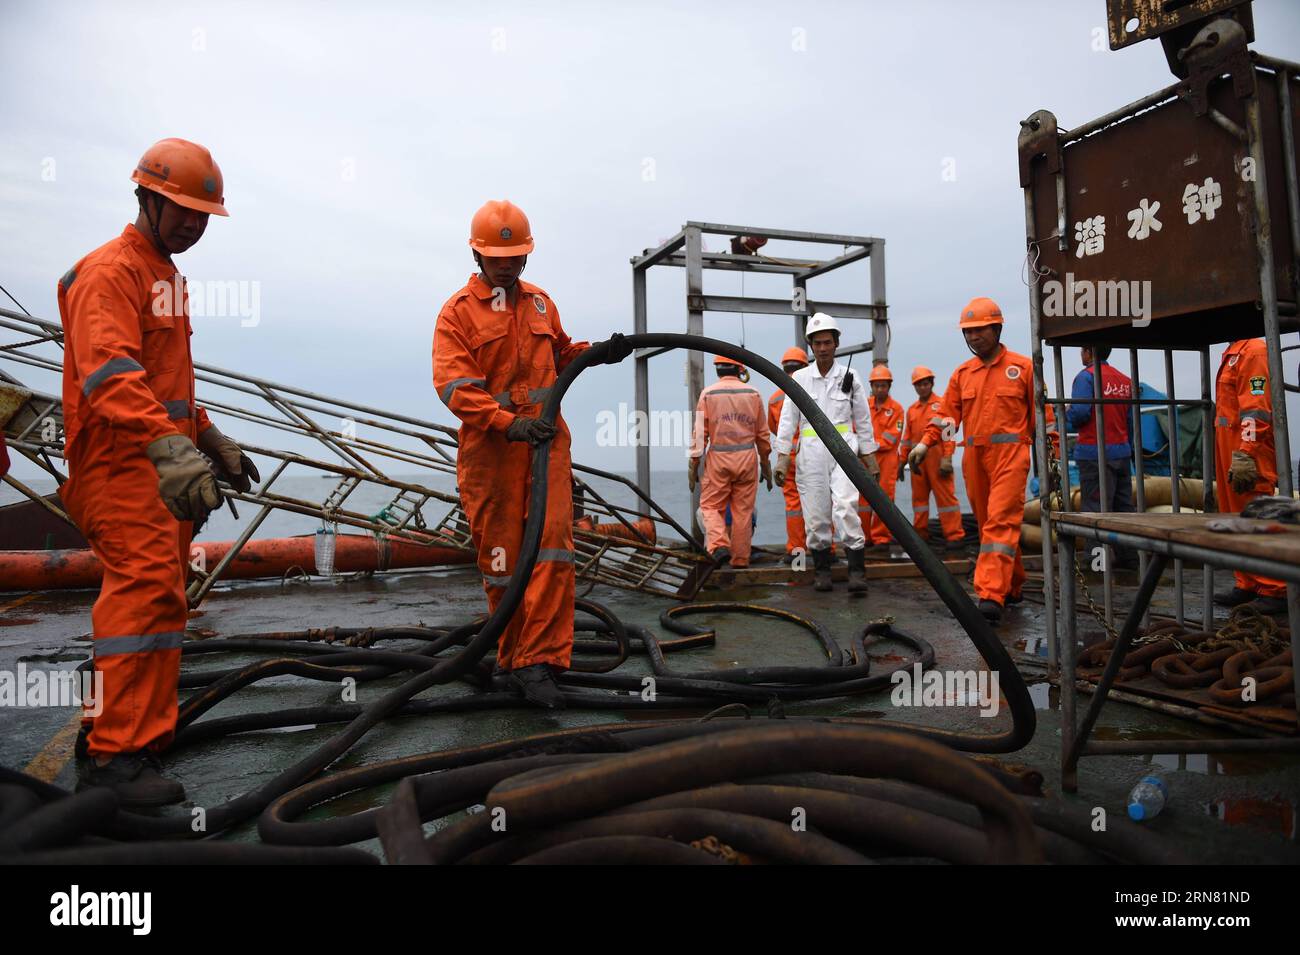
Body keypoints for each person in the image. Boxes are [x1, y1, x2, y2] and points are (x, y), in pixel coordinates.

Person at [60, 138, 259, 806]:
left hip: (159, 470)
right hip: (121, 466)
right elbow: (109, 376)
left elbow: (166, 388)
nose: (192, 223)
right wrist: (166, 445)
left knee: (165, 599)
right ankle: (112, 755)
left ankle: (139, 741)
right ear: (144, 196)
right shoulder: (111, 273)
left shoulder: (166, 278)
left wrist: (208, 437)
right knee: (140, 596)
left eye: (203, 214)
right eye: (180, 208)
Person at [433, 199, 630, 709]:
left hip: (545, 448)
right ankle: (512, 655)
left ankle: (539, 663)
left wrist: (595, 352)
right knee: (502, 561)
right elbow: (454, 386)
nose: (509, 265)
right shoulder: (457, 314)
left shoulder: (540, 302)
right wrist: (507, 424)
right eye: (499, 257)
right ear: (477, 255)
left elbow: (560, 353)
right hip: (492, 456)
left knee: (551, 555)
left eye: (517, 256)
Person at [908, 297, 1058, 624]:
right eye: (968, 332)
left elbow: (1045, 420)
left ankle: (990, 594)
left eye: (980, 330)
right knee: (991, 522)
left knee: (999, 521)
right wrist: (924, 443)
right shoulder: (963, 375)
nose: (974, 338)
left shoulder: (1024, 368)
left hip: (1011, 456)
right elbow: (947, 418)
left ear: (997, 328)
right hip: (973, 457)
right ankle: (1013, 584)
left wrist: (1053, 461)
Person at [774, 312, 879, 594]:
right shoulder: (799, 378)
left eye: (827, 342)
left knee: (846, 507)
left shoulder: (850, 376)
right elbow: (788, 420)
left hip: (844, 450)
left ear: (836, 343)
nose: (822, 348)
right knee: (816, 515)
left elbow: (863, 418)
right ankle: (823, 571)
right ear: (811, 345)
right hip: (810, 453)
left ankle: (857, 571)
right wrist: (782, 457)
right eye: (818, 343)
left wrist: (869, 456)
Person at [1212, 338, 1286, 615]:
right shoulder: (1234, 352)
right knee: (1233, 517)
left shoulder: (1253, 351)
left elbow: (1257, 407)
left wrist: (1246, 451)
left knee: (1255, 517)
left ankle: (1273, 587)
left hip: (1246, 450)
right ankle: (1247, 582)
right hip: (1228, 446)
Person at [689, 355, 772, 567]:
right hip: (747, 459)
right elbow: (762, 434)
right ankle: (740, 560)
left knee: (709, 507)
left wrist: (693, 467)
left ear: (717, 369)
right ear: (740, 370)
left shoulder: (708, 394)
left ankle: (718, 546)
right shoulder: (753, 393)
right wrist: (766, 465)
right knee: (743, 512)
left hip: (719, 460)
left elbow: (699, 436)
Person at [1067, 346, 1137, 568]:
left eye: (1081, 350)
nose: (1080, 354)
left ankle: (1097, 563)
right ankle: (1129, 559)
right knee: (1123, 509)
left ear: (1088, 352)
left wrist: (1065, 412)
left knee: (1094, 509)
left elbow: (1080, 413)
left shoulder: (1086, 378)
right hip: (1122, 452)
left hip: (1093, 453)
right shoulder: (1124, 380)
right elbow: (1131, 420)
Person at [901, 365, 964, 549]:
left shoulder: (942, 406)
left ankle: (955, 537)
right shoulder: (911, 410)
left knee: (946, 500)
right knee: (919, 502)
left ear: (932, 383)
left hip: (938, 461)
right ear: (915, 387)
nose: (923, 387)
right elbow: (907, 438)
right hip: (918, 463)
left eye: (926, 383)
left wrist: (948, 458)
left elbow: (949, 434)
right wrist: (902, 462)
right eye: (919, 384)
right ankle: (921, 536)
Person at [767, 347, 810, 561]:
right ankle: (824, 551)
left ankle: (796, 551)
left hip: (788, 458)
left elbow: (775, 428)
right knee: (820, 500)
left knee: (793, 505)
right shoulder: (813, 393)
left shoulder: (775, 398)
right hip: (811, 455)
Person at [860, 365, 905, 553]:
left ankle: (881, 538)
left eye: (883, 386)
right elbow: (857, 428)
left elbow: (892, 437)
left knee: (884, 498)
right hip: (865, 459)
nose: (880, 389)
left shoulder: (897, 409)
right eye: (877, 386)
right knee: (862, 500)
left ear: (889, 386)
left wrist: (868, 444)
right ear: (872, 386)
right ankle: (864, 537)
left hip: (887, 461)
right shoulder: (864, 405)